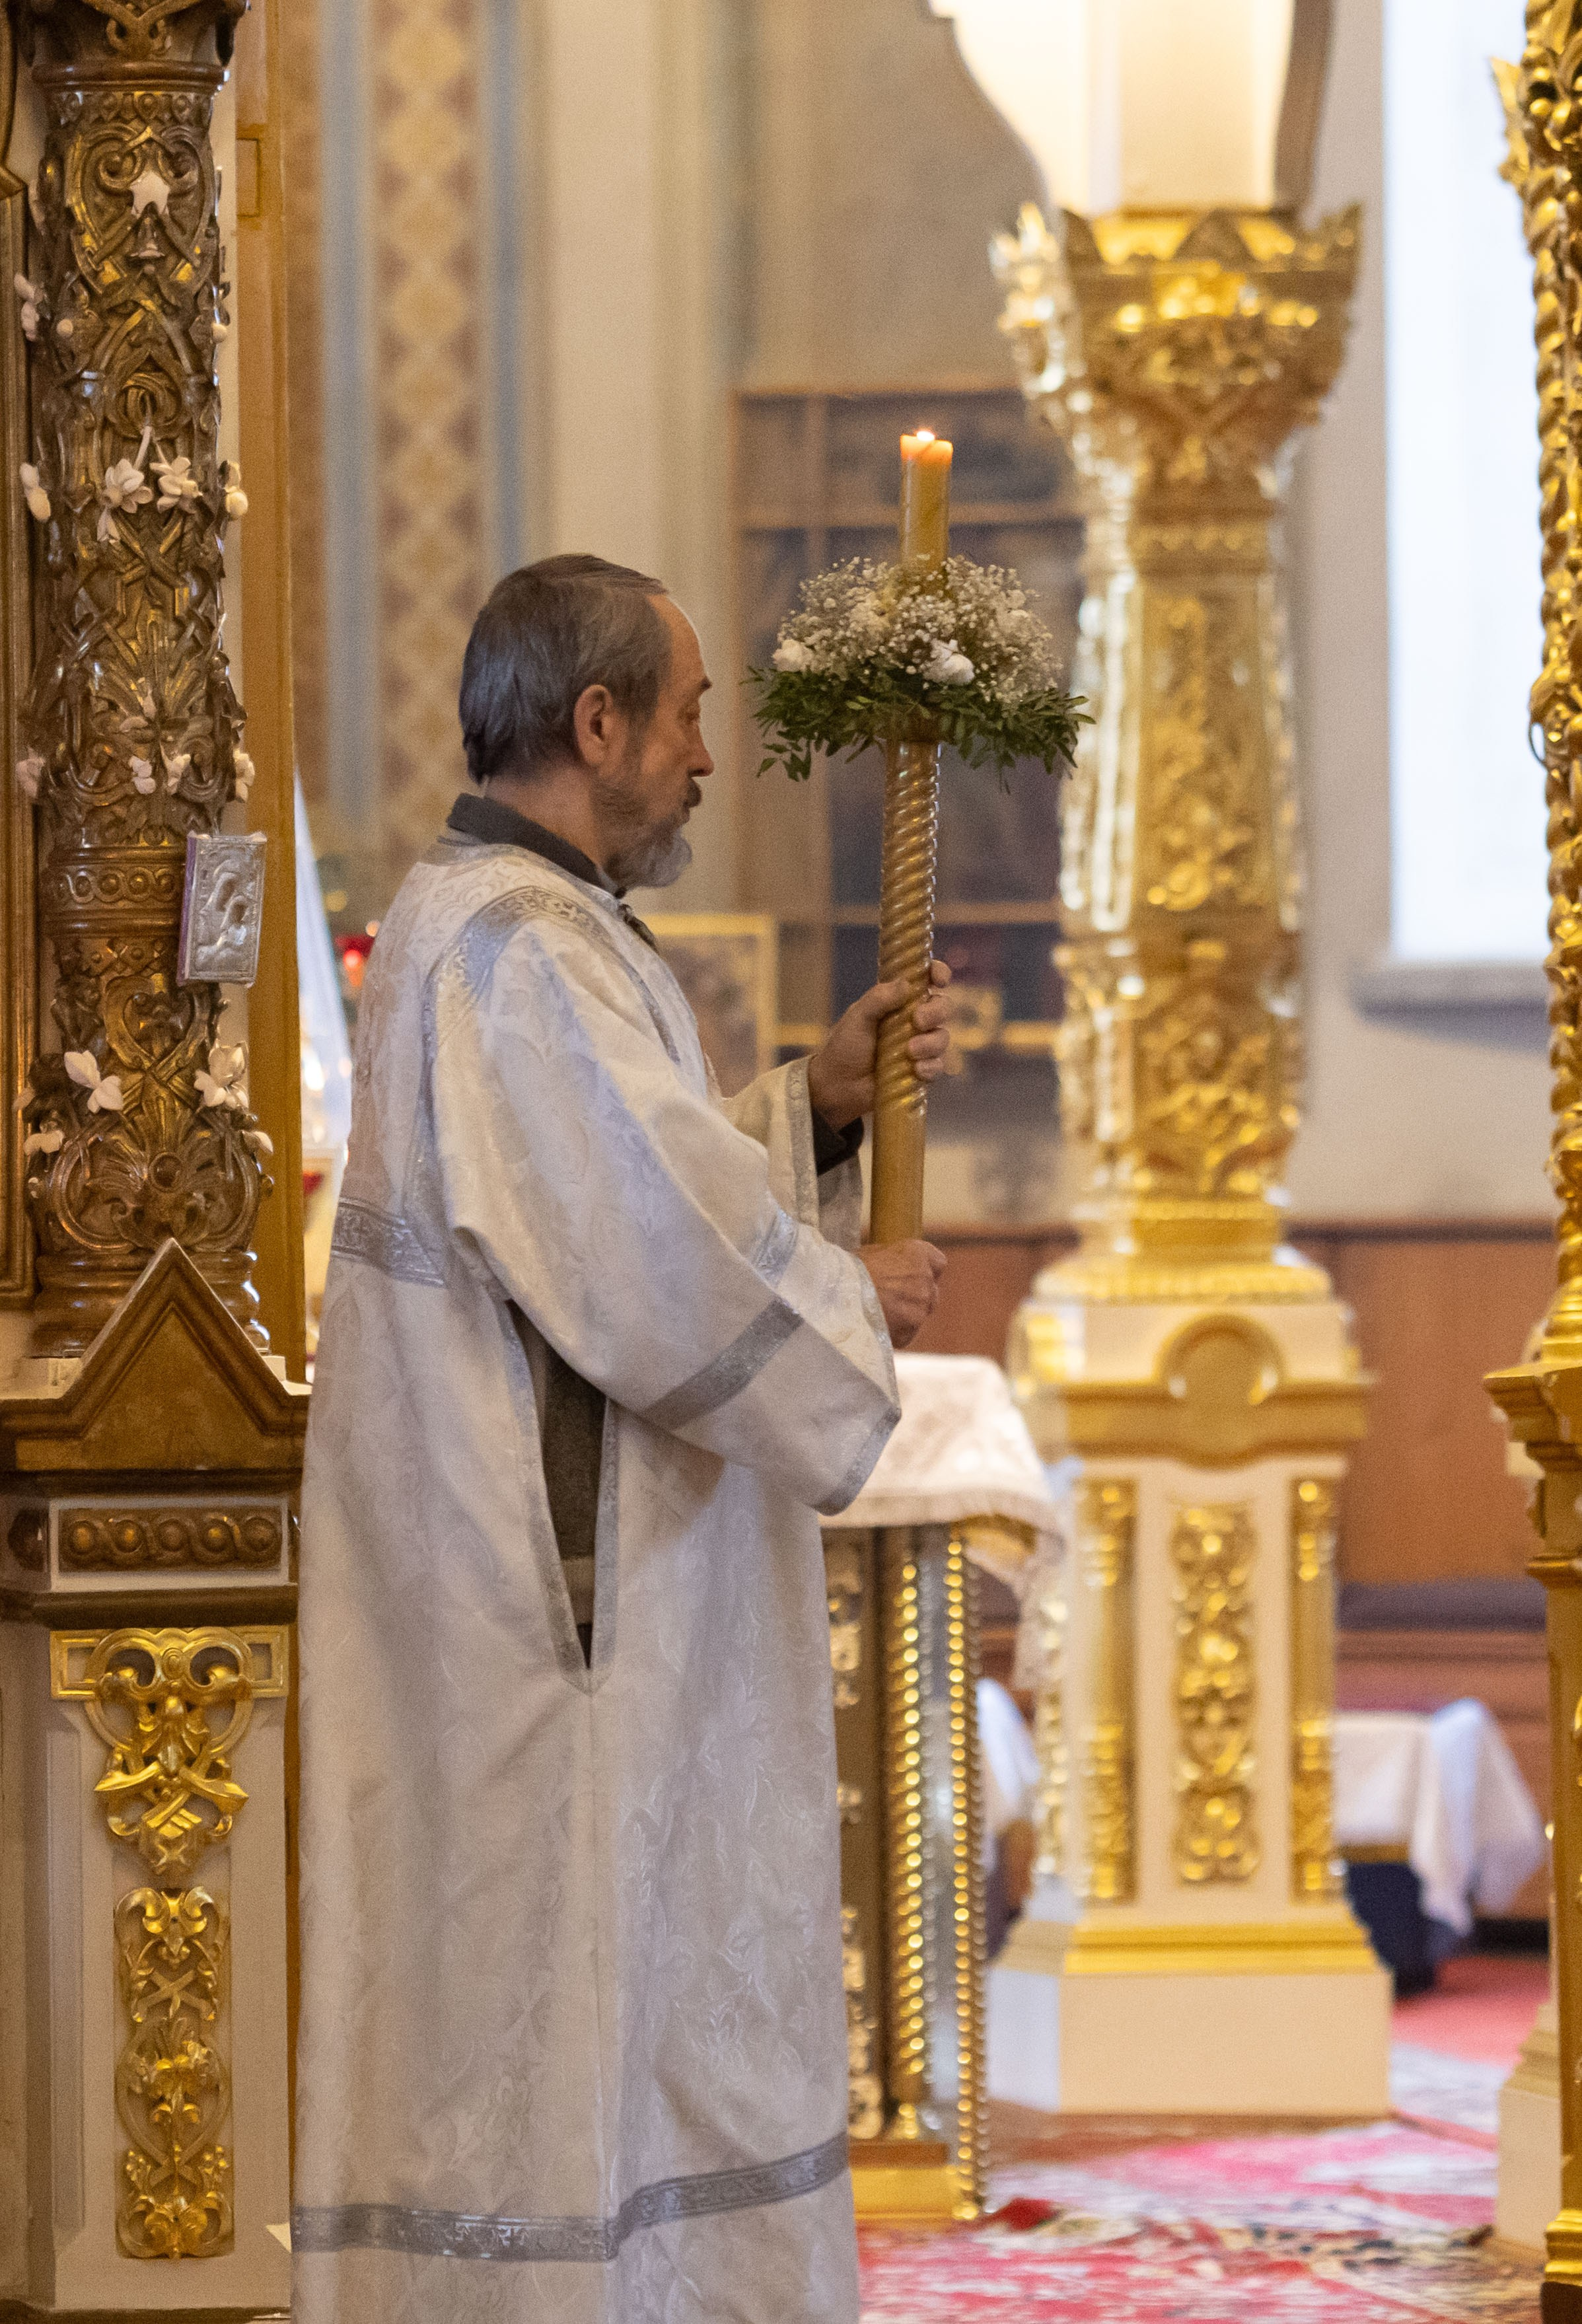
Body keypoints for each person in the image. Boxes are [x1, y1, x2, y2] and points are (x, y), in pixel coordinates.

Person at [292, 554, 951, 2324]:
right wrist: (844, 1285)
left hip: (563, 1597)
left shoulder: (519, 926)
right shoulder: (515, 947)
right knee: (568, 2021)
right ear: (595, 723)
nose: (704, 760)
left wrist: (800, 1109)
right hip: (557, 1624)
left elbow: (612, 1187)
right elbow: (645, 1262)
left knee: (618, 2012)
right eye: (686, 716)